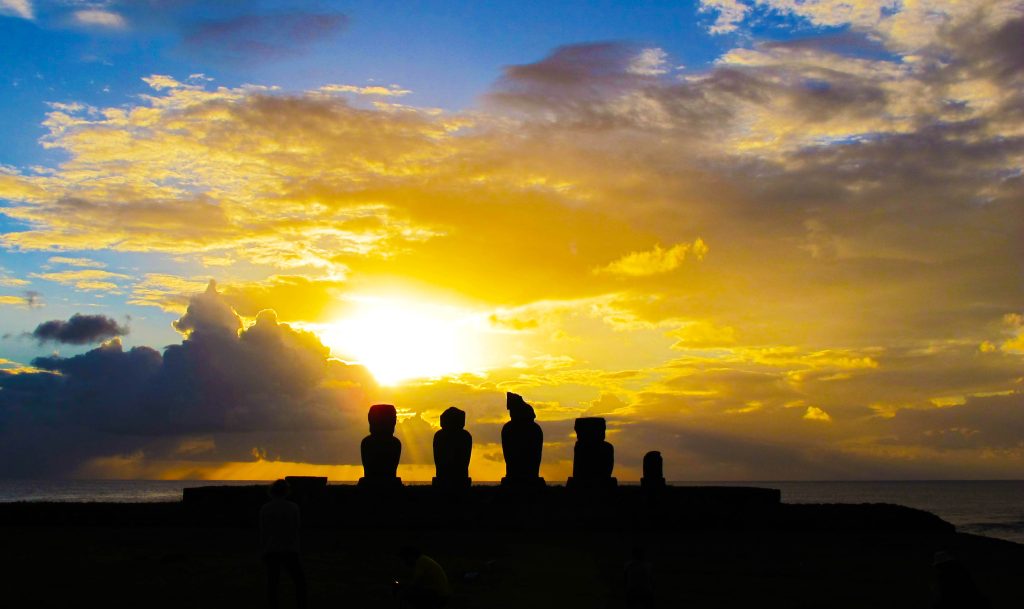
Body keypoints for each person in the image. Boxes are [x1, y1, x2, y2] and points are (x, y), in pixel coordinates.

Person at [260, 479, 307, 609]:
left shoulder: (266, 508)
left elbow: (264, 531)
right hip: (290, 548)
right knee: (299, 581)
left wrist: (263, 548)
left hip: (272, 548)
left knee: (272, 583)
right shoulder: (293, 507)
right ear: (286, 491)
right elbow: (297, 528)